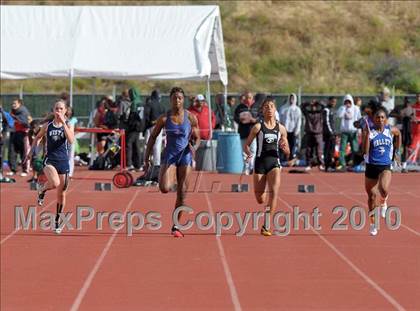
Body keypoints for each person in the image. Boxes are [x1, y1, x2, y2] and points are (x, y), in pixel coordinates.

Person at [144, 87, 200, 237]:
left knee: (182, 194)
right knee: (164, 188)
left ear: (183, 100)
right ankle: (173, 177)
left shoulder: (191, 117)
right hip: (170, 155)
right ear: (170, 100)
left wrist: (195, 145)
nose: (177, 100)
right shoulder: (164, 118)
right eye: (174, 98)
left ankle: (176, 226)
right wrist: (146, 157)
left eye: (180, 98)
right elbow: (152, 137)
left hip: (185, 156)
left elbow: (198, 136)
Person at [244, 97, 290, 236]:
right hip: (260, 163)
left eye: (271, 106)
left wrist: (284, 148)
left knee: (274, 192)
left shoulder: (281, 128)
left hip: (274, 162)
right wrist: (248, 153)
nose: (269, 109)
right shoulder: (258, 127)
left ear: (275, 109)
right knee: (260, 199)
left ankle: (267, 225)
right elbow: (246, 145)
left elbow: (288, 151)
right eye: (266, 107)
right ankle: (265, 206)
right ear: (262, 110)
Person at [28, 99, 75, 234]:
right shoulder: (48, 125)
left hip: (63, 162)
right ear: (53, 111)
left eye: (61, 109)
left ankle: (57, 221)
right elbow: (37, 137)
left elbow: (71, 140)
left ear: (65, 111)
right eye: (56, 109)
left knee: (62, 194)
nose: (58, 111)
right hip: (50, 160)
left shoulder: (69, 124)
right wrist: (32, 151)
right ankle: (42, 189)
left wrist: (64, 123)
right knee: (54, 183)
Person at [362, 106, 401, 236]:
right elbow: (365, 151)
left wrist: (397, 152)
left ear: (386, 119)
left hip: (385, 166)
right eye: (378, 117)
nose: (380, 119)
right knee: (371, 197)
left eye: (383, 117)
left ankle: (383, 202)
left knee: (384, 189)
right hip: (372, 166)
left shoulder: (390, 130)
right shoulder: (370, 132)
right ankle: (373, 224)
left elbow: (399, 134)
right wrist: (366, 136)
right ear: (373, 119)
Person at [234, 91, 259, 174]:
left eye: (249, 97)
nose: (247, 99)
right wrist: (241, 120)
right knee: (244, 152)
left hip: (253, 133)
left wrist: (254, 120)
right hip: (243, 132)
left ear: (253, 98)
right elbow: (235, 118)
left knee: (253, 151)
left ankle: (251, 166)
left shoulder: (256, 107)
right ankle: (246, 169)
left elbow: (261, 118)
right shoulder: (240, 107)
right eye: (246, 97)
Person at [7, 99, 31, 177]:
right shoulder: (12, 111)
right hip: (14, 132)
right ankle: (13, 169)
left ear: (19, 104)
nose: (13, 105)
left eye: (15, 103)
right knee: (12, 151)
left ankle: (25, 169)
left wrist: (15, 118)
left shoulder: (23, 111)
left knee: (23, 152)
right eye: (12, 103)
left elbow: (25, 122)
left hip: (23, 133)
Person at [337, 94, 361, 170]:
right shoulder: (342, 108)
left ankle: (355, 163)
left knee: (355, 149)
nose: (348, 103)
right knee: (342, 149)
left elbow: (359, 118)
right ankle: (342, 164)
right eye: (346, 101)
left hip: (353, 131)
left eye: (349, 101)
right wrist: (344, 108)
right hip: (344, 132)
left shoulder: (356, 108)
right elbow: (339, 116)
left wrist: (359, 130)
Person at [278, 93, 302, 165]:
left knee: (292, 145)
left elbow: (299, 120)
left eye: (293, 99)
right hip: (285, 130)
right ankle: (282, 159)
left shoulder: (297, 109)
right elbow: (280, 119)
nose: (292, 100)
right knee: (283, 144)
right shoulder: (283, 108)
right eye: (291, 98)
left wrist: (297, 130)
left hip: (293, 130)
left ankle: (291, 159)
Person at [302, 100, 324, 170]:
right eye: (312, 106)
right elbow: (302, 106)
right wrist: (308, 103)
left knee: (319, 150)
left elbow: (323, 106)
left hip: (318, 133)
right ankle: (309, 164)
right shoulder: (307, 113)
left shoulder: (320, 113)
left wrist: (317, 102)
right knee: (309, 150)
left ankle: (320, 164)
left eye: (315, 106)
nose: (313, 108)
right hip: (309, 133)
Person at [323, 97, 337, 172]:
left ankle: (330, 165)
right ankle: (327, 165)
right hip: (328, 134)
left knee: (332, 150)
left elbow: (334, 122)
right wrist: (330, 132)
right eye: (332, 101)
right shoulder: (326, 110)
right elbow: (326, 122)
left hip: (333, 133)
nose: (334, 103)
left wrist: (335, 132)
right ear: (329, 101)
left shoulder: (334, 110)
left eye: (335, 102)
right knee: (327, 149)